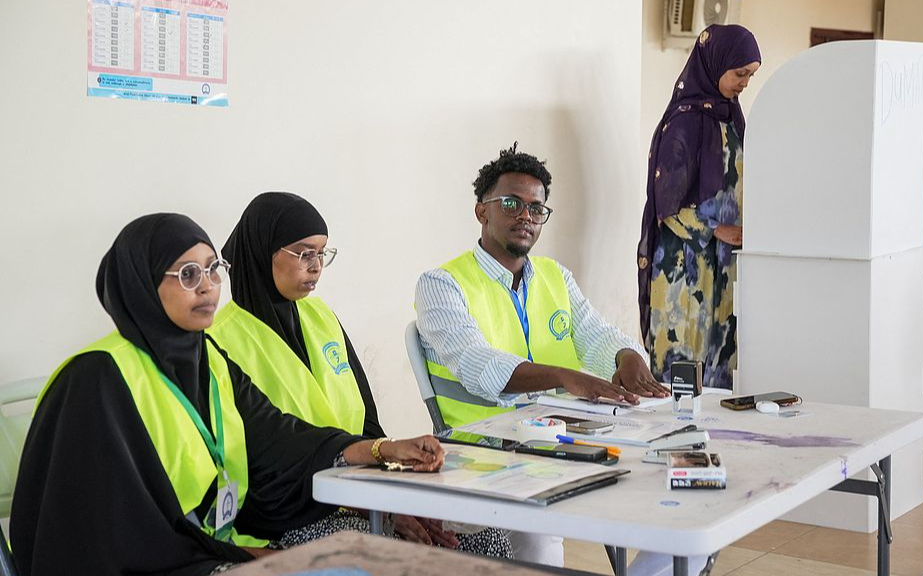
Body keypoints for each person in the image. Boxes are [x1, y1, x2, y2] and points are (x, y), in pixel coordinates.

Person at [11, 213, 446, 576]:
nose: (207, 286)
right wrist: (251, 561)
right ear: (141, 282)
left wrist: (380, 448)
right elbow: (112, 533)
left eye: (212, 269)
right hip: (149, 564)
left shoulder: (207, 358)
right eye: (187, 274)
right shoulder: (97, 378)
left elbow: (278, 438)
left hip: (211, 548)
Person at [206, 191, 512, 557]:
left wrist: (393, 493)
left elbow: (367, 423)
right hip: (286, 511)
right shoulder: (220, 341)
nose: (316, 266)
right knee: (395, 554)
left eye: (322, 253)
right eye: (304, 253)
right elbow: (259, 461)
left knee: (482, 534)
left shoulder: (320, 317)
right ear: (263, 251)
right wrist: (369, 505)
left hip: (357, 485)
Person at [414, 143, 668, 566]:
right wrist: (564, 377)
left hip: (562, 437)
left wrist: (626, 354)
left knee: (680, 493)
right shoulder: (441, 284)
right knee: (539, 550)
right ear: (482, 211)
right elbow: (477, 364)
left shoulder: (555, 276)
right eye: (511, 203)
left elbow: (595, 332)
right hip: (487, 448)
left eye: (536, 208)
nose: (525, 217)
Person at [637, 24, 761, 391]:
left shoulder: (732, 117)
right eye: (740, 73)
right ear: (714, 63)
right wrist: (714, 229)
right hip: (684, 267)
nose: (745, 84)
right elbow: (666, 204)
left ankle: (717, 446)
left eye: (751, 76)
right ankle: (673, 447)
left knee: (721, 361)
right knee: (684, 364)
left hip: (724, 264)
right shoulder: (684, 123)